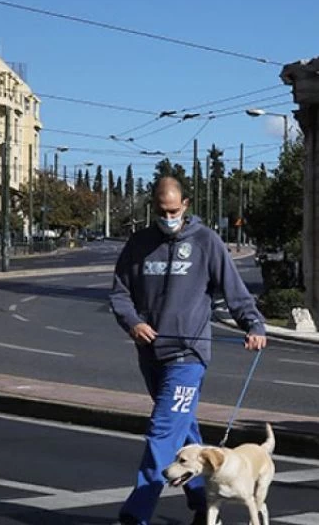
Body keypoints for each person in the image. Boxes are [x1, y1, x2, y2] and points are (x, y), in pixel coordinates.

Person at [109, 176, 268, 525]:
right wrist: (133, 322)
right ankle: (201, 501)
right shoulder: (139, 243)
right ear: (154, 207)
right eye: (162, 211)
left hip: (188, 357)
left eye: (174, 210)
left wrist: (253, 325)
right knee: (184, 431)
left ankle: (135, 514)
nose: (168, 217)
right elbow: (119, 292)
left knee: (162, 433)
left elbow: (234, 289)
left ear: (186, 204)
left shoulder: (206, 242)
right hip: (150, 353)